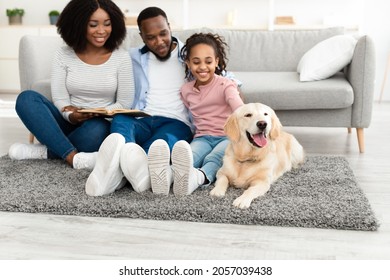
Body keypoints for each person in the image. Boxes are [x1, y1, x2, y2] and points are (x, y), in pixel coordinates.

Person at [8, 0, 134, 170]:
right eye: (93, 25)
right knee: (26, 99)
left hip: (99, 123)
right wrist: (71, 115)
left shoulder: (121, 57)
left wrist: (100, 113)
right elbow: (59, 97)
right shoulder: (64, 54)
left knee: (97, 131)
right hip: (67, 120)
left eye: (107, 24)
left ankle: (47, 152)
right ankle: (72, 157)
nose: (101, 31)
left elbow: (125, 102)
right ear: (79, 24)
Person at [85, 7, 193, 196]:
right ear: (142, 37)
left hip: (176, 122)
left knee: (159, 146)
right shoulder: (133, 57)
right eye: (151, 37)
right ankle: (132, 172)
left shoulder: (190, 55)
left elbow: (222, 74)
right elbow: (103, 67)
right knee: (121, 121)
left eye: (163, 34)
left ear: (169, 27)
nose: (159, 42)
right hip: (142, 118)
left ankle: (116, 174)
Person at [168, 33, 244, 196]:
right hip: (202, 137)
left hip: (227, 137)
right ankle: (167, 175)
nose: (202, 67)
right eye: (196, 62)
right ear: (188, 63)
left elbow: (240, 111)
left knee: (215, 158)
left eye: (208, 61)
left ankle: (199, 178)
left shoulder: (226, 85)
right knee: (190, 157)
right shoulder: (186, 90)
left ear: (216, 62)